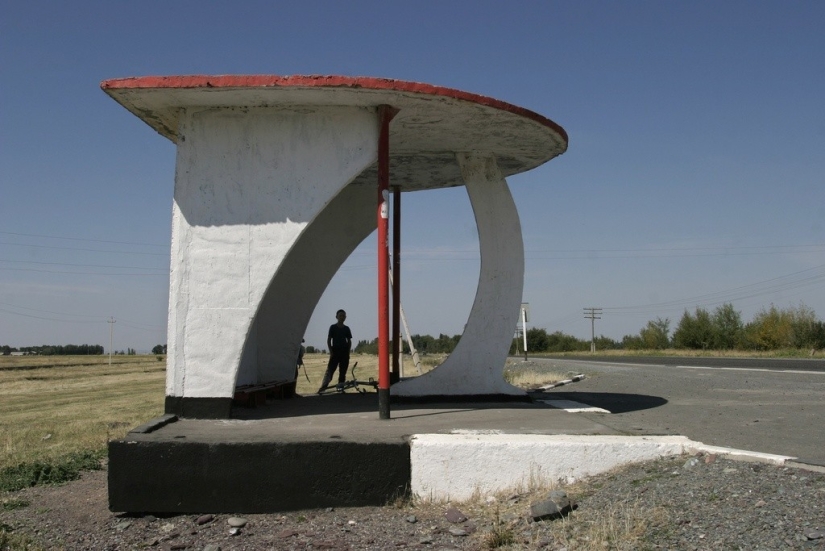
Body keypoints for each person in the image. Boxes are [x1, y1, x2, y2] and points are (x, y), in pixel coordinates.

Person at [318, 309, 352, 393]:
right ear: (336, 317)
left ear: (345, 317)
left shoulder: (347, 328)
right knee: (330, 371)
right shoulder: (333, 327)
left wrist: (348, 352)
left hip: (344, 353)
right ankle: (323, 388)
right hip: (335, 352)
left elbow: (349, 341)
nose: (342, 317)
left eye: (343, 316)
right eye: (340, 315)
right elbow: (329, 340)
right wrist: (331, 352)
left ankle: (340, 389)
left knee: (343, 372)